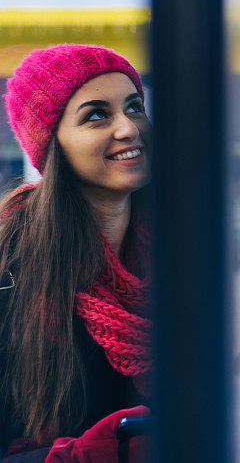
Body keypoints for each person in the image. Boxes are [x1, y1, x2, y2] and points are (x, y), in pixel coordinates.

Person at [0, 44, 152, 461]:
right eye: (97, 115)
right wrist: (86, 454)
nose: (129, 128)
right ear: (53, 144)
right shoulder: (11, 269)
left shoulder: (180, 256)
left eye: (135, 106)